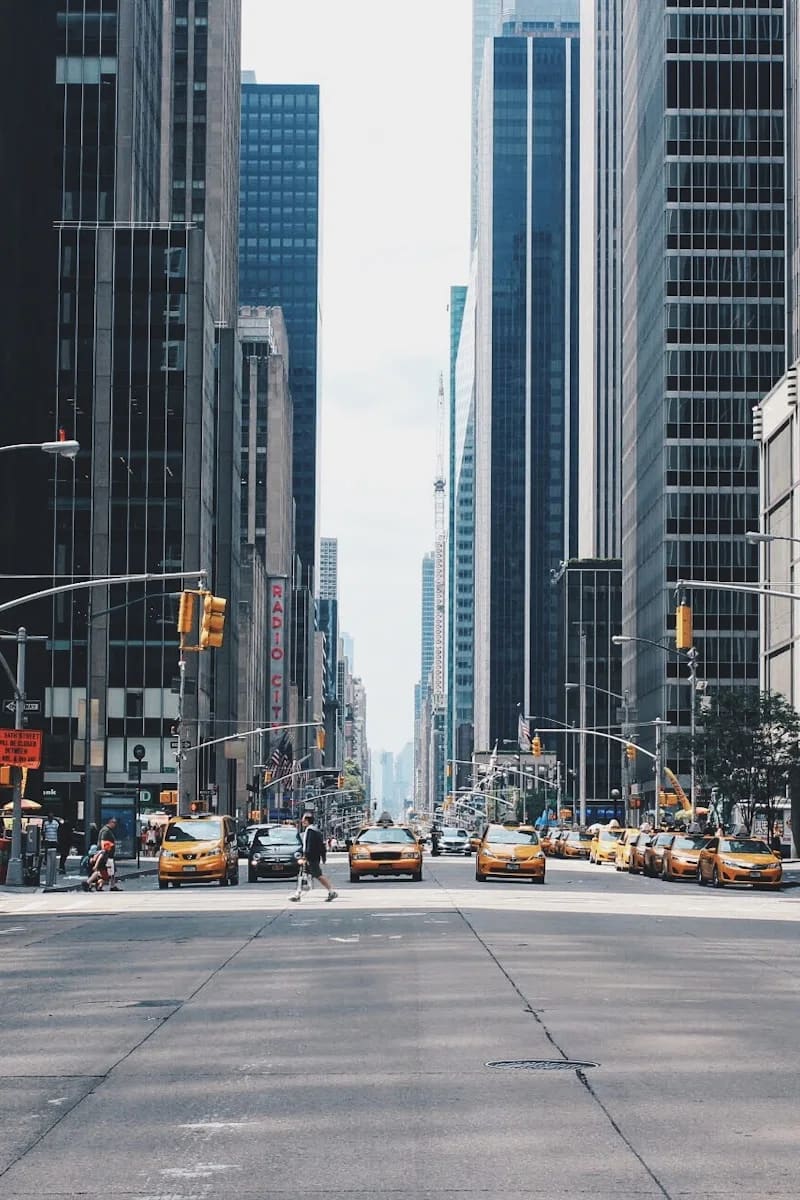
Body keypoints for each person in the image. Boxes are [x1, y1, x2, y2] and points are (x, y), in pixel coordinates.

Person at [289, 812, 337, 902]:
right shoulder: (314, 830)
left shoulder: (311, 831)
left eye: (303, 819)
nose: (301, 821)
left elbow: (310, 846)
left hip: (311, 858)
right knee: (301, 875)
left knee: (318, 875)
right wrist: (323, 856)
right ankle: (297, 894)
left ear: (306, 820)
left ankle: (332, 892)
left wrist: (306, 857)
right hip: (311, 857)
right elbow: (320, 845)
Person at [96, 817, 122, 891]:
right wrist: (104, 852)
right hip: (107, 855)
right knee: (110, 871)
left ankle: (110, 885)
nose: (115, 825)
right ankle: (110, 885)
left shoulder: (107, 830)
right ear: (110, 822)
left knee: (110, 871)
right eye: (114, 823)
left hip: (108, 854)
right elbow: (103, 841)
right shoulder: (106, 831)